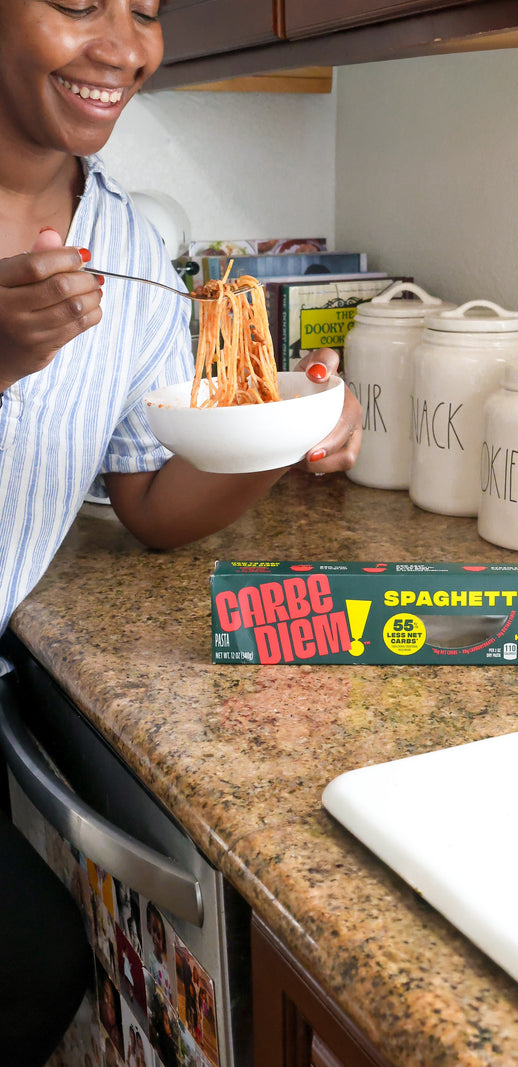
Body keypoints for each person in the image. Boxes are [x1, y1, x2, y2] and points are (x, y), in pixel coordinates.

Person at [0, 2, 362, 1063]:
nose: (123, 47)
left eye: (148, 12)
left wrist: (271, 435)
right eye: (78, 3)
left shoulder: (132, 249)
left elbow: (153, 505)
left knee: (32, 961)